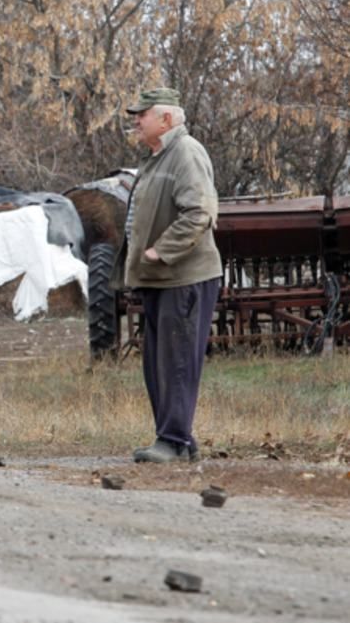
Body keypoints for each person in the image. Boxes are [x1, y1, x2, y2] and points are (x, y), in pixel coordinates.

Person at [115, 87, 222, 463]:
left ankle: (173, 440)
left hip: (183, 276)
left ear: (166, 119)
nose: (136, 121)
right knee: (158, 362)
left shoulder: (186, 152)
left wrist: (161, 250)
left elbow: (200, 212)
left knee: (176, 361)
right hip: (159, 278)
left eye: (142, 114)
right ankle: (176, 439)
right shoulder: (158, 158)